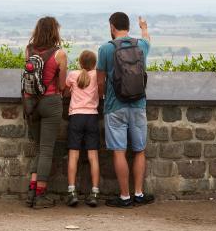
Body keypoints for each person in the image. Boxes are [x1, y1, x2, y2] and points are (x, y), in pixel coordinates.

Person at [97, 12, 155, 207]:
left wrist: (102, 99)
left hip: (115, 106)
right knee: (139, 150)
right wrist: (144, 27)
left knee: (119, 151)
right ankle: (138, 193)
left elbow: (100, 80)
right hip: (138, 104)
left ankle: (125, 197)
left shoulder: (106, 49)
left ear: (112, 27)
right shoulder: (141, 46)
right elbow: (148, 39)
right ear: (128, 27)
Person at [23, 16, 68, 209]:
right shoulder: (59, 54)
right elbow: (62, 85)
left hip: (30, 103)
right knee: (47, 150)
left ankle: (32, 192)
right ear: (55, 32)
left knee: (39, 148)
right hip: (50, 102)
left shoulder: (28, 50)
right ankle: (40, 195)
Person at [63, 50, 101, 207]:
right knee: (93, 156)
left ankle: (72, 192)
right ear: (95, 63)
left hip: (76, 117)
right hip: (92, 117)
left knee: (73, 156)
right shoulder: (97, 75)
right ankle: (95, 192)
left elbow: (65, 91)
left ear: (79, 62)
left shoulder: (73, 75)